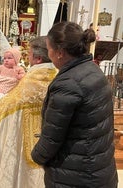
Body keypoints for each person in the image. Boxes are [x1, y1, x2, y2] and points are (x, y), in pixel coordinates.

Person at [32, 22, 118, 187]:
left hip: (76, 176)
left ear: (59, 53)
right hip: (100, 170)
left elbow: (52, 138)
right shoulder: (93, 70)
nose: (48, 54)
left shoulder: (67, 84)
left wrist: (37, 156)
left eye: (49, 49)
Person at [0, 36, 57, 188]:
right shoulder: (58, 76)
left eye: (29, 53)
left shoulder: (29, 80)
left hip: (27, 146)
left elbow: (7, 105)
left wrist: (0, 95)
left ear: (38, 58)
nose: (27, 57)